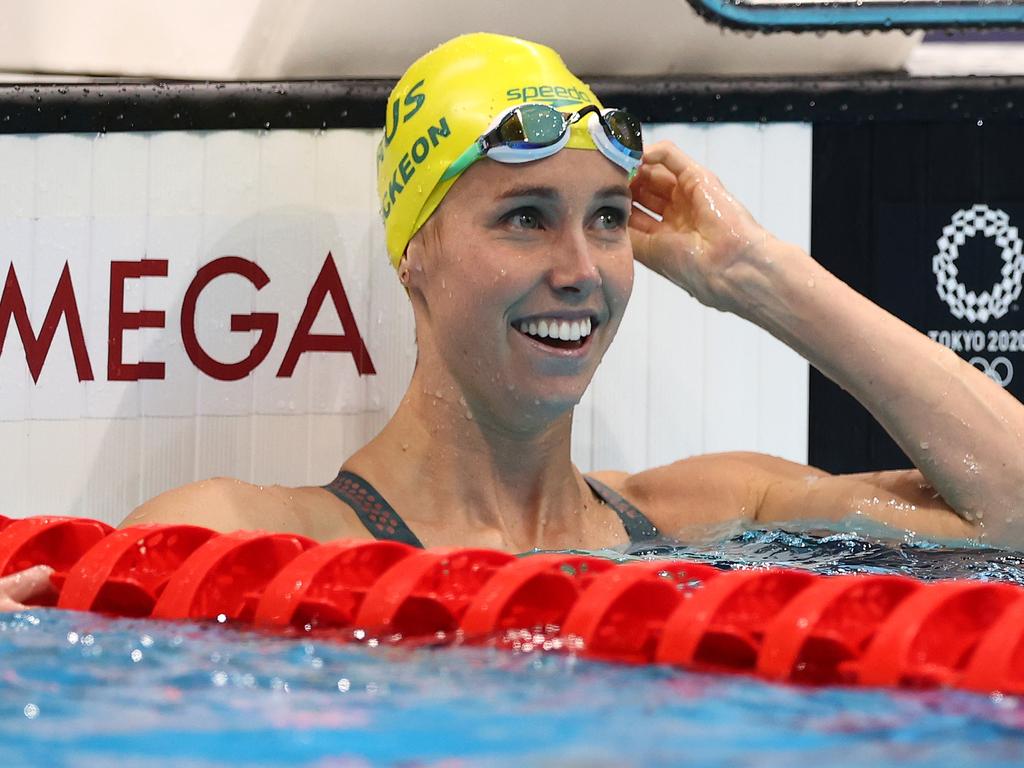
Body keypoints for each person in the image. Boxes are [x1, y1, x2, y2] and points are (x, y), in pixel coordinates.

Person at [5, 33, 1024, 609]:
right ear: (416, 253)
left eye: (608, 221)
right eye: (525, 218)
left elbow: (1010, 515)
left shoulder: (712, 512)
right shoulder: (245, 534)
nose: (580, 270)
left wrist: (752, 272)